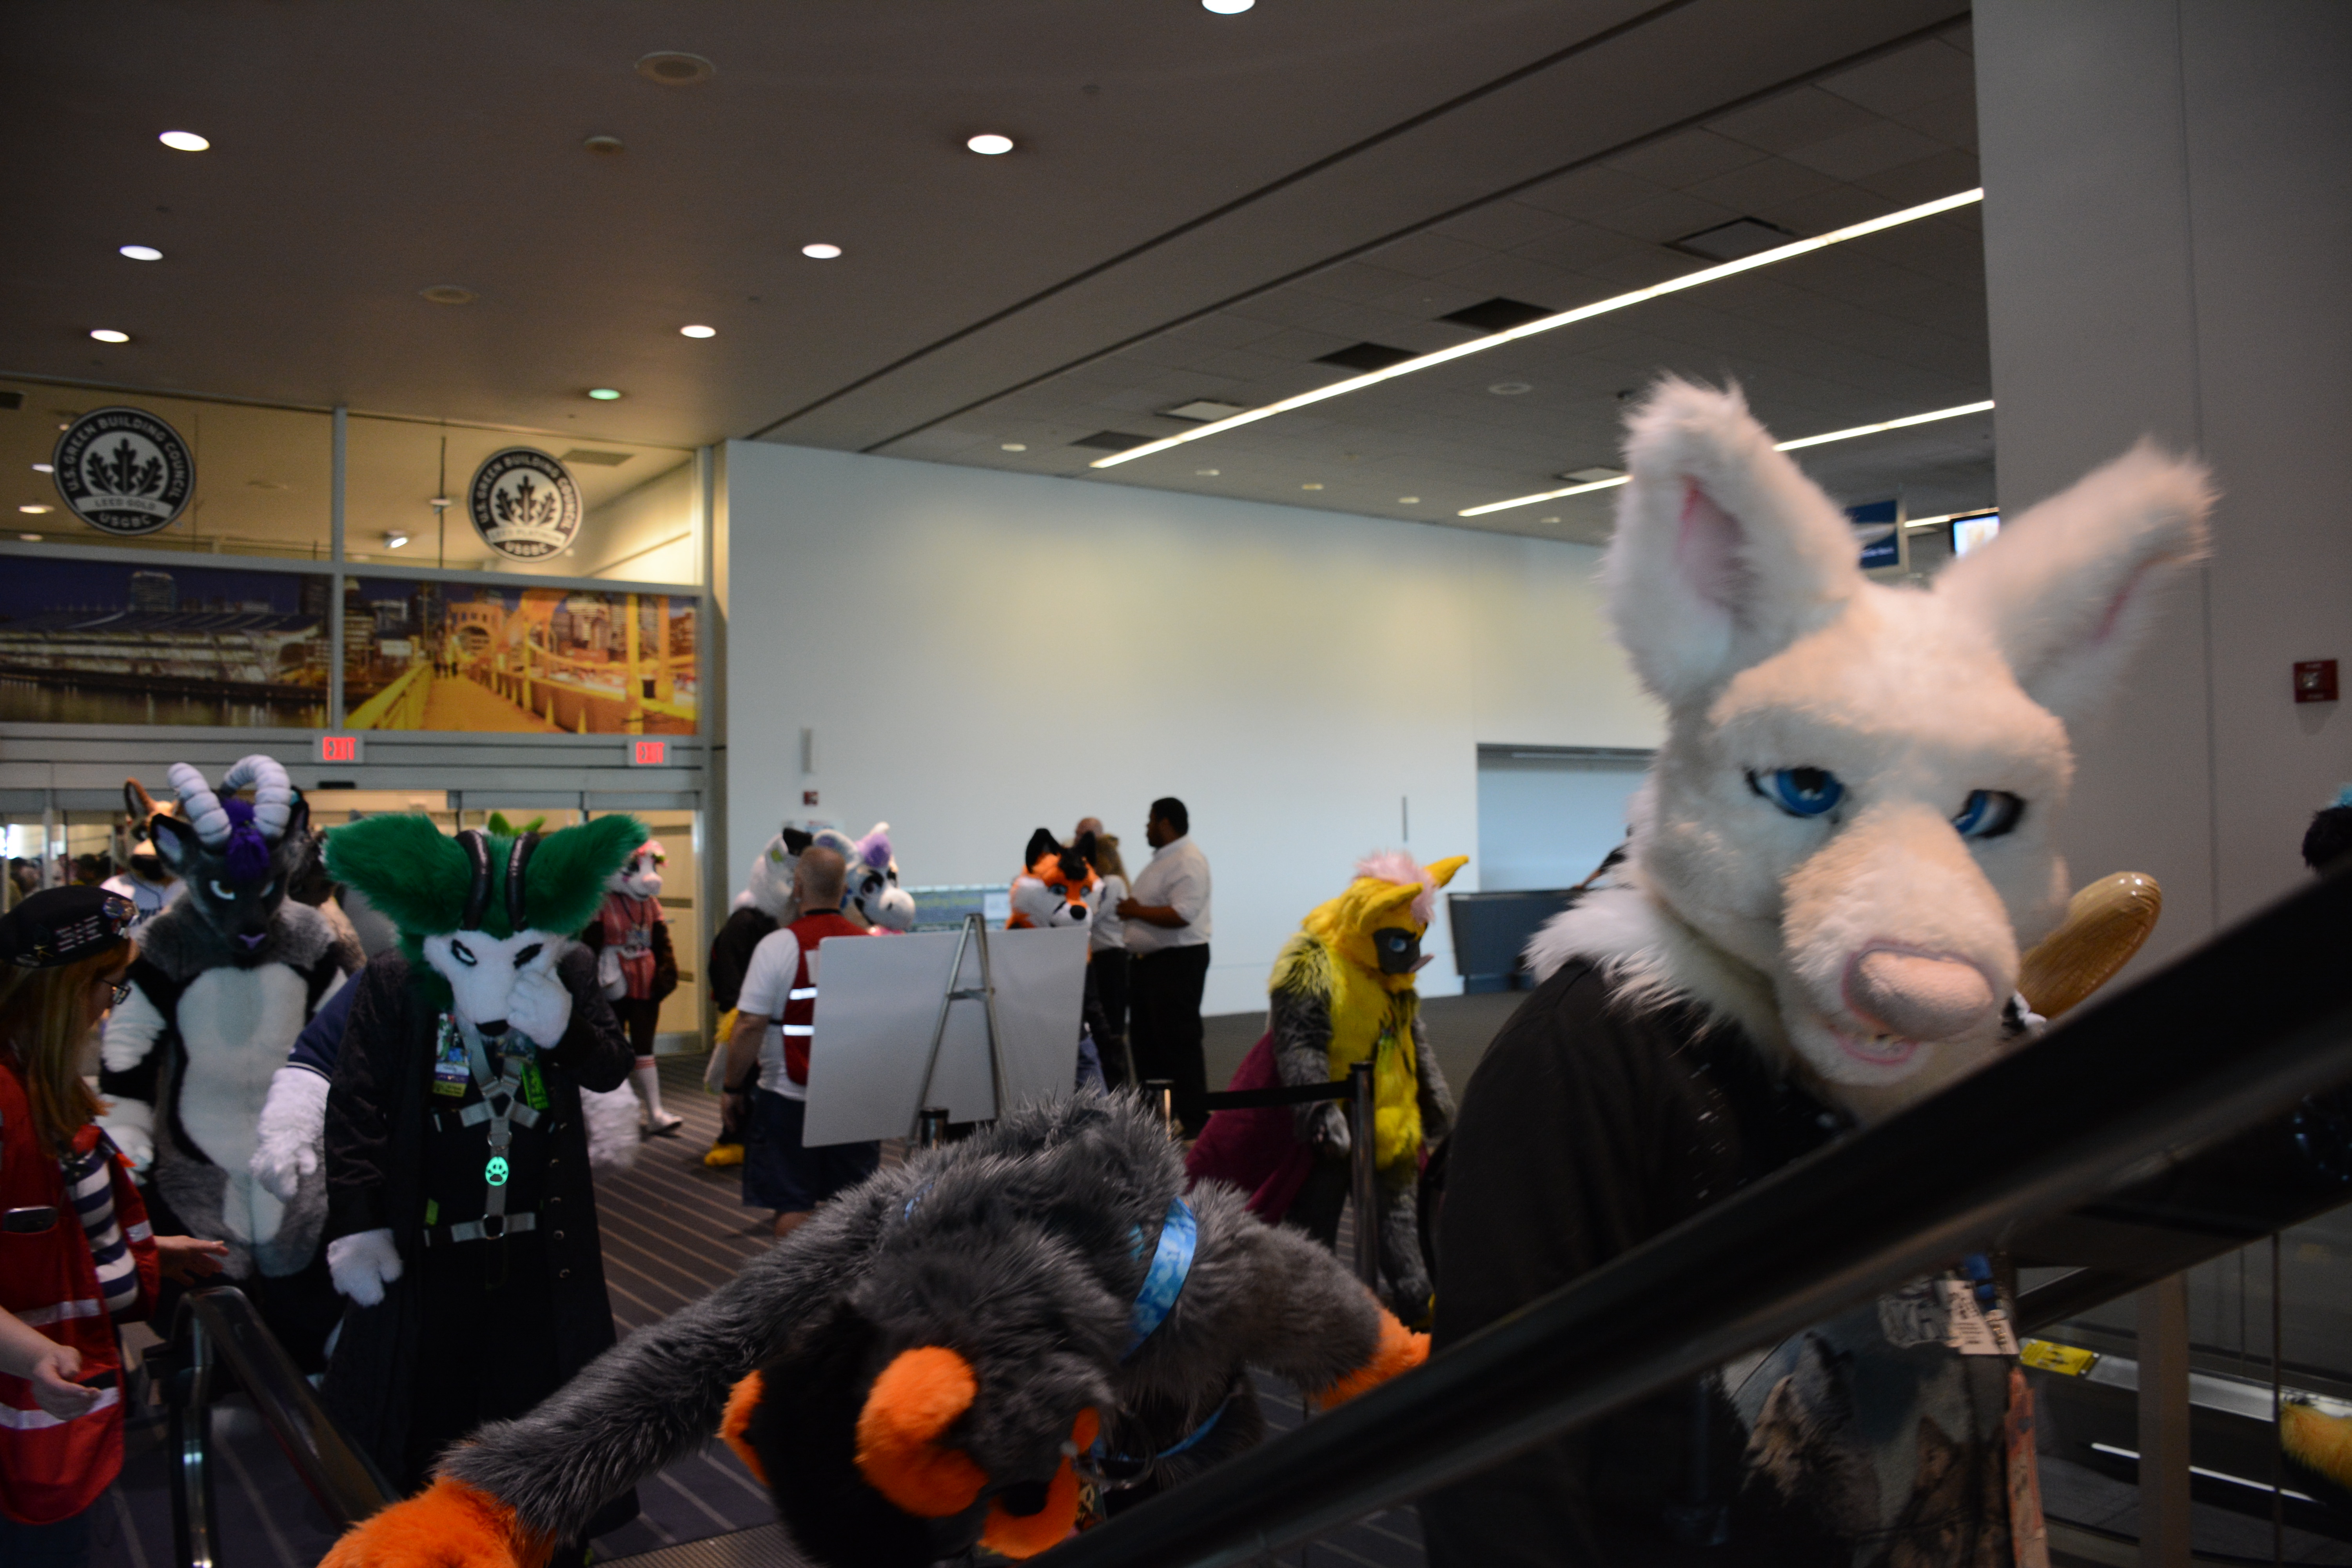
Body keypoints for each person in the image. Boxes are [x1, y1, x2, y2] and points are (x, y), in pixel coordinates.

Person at [0, 887, 226, 1564]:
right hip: (25, 1421)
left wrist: (148, 1251)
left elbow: (53, 1230)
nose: (110, 1006)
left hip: (54, 1413)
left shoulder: (40, 1083)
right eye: (109, 986)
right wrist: (31, 1357)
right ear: (64, 989)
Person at [722, 844, 878, 1237]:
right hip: (855, 1097)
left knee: (794, 1202)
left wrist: (732, 1086)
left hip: (788, 1096)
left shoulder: (777, 946)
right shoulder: (869, 945)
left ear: (797, 886)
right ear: (843, 889)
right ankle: (851, 1277)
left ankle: (799, 1279)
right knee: (856, 1206)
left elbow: (749, 1025)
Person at [1118, 797, 1212, 1135]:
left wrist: (1134, 911)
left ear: (1165, 823)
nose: (1146, 828)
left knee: (1178, 1044)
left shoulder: (1188, 860)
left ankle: (1195, 1123)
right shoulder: (1166, 860)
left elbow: (1183, 914)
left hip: (1177, 963)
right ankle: (1157, 1123)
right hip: (1152, 965)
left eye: (1150, 820)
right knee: (1147, 1045)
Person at [1077, 818, 1132, 1062]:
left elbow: (1091, 916)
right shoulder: (1102, 885)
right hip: (1102, 959)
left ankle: (1116, 1072)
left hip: (1112, 959)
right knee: (1103, 1022)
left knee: (1111, 1023)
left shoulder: (1112, 883)